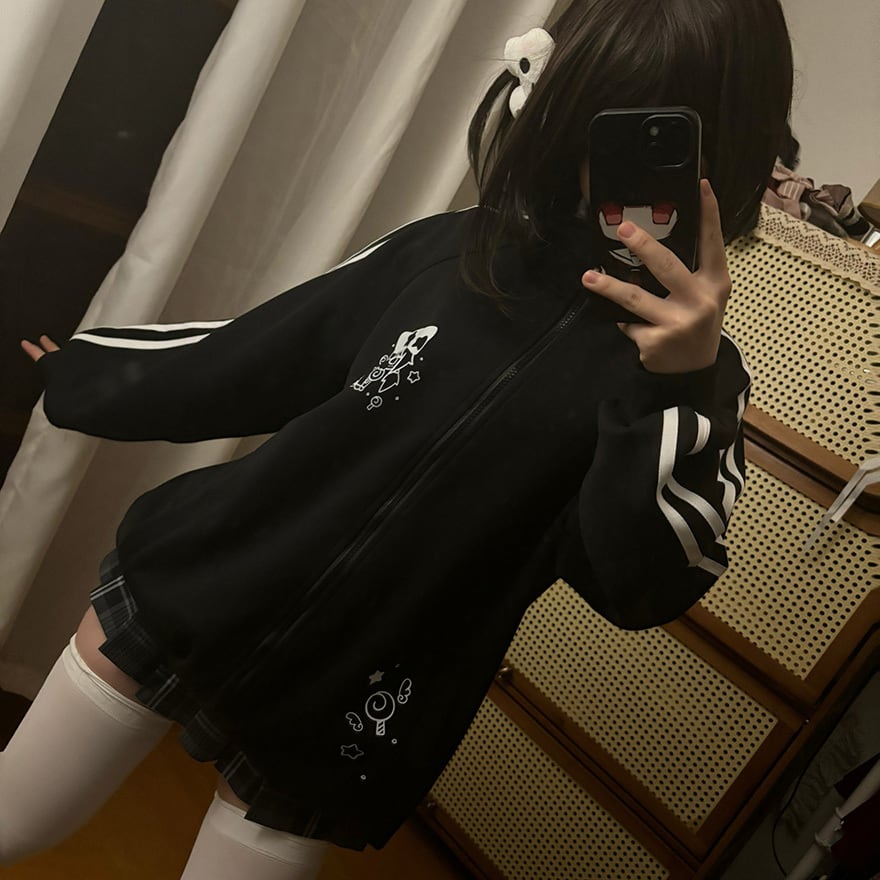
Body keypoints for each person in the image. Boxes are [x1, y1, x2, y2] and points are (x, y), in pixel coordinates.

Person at [3, 0, 793, 876]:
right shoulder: (450, 250)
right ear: (558, 93)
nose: (624, 166)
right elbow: (257, 353)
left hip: (362, 704)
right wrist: (89, 371)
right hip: (203, 579)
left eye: (668, 139)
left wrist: (673, 387)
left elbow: (637, 584)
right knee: (12, 819)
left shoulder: (701, 391)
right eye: (609, 119)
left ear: (729, 149)